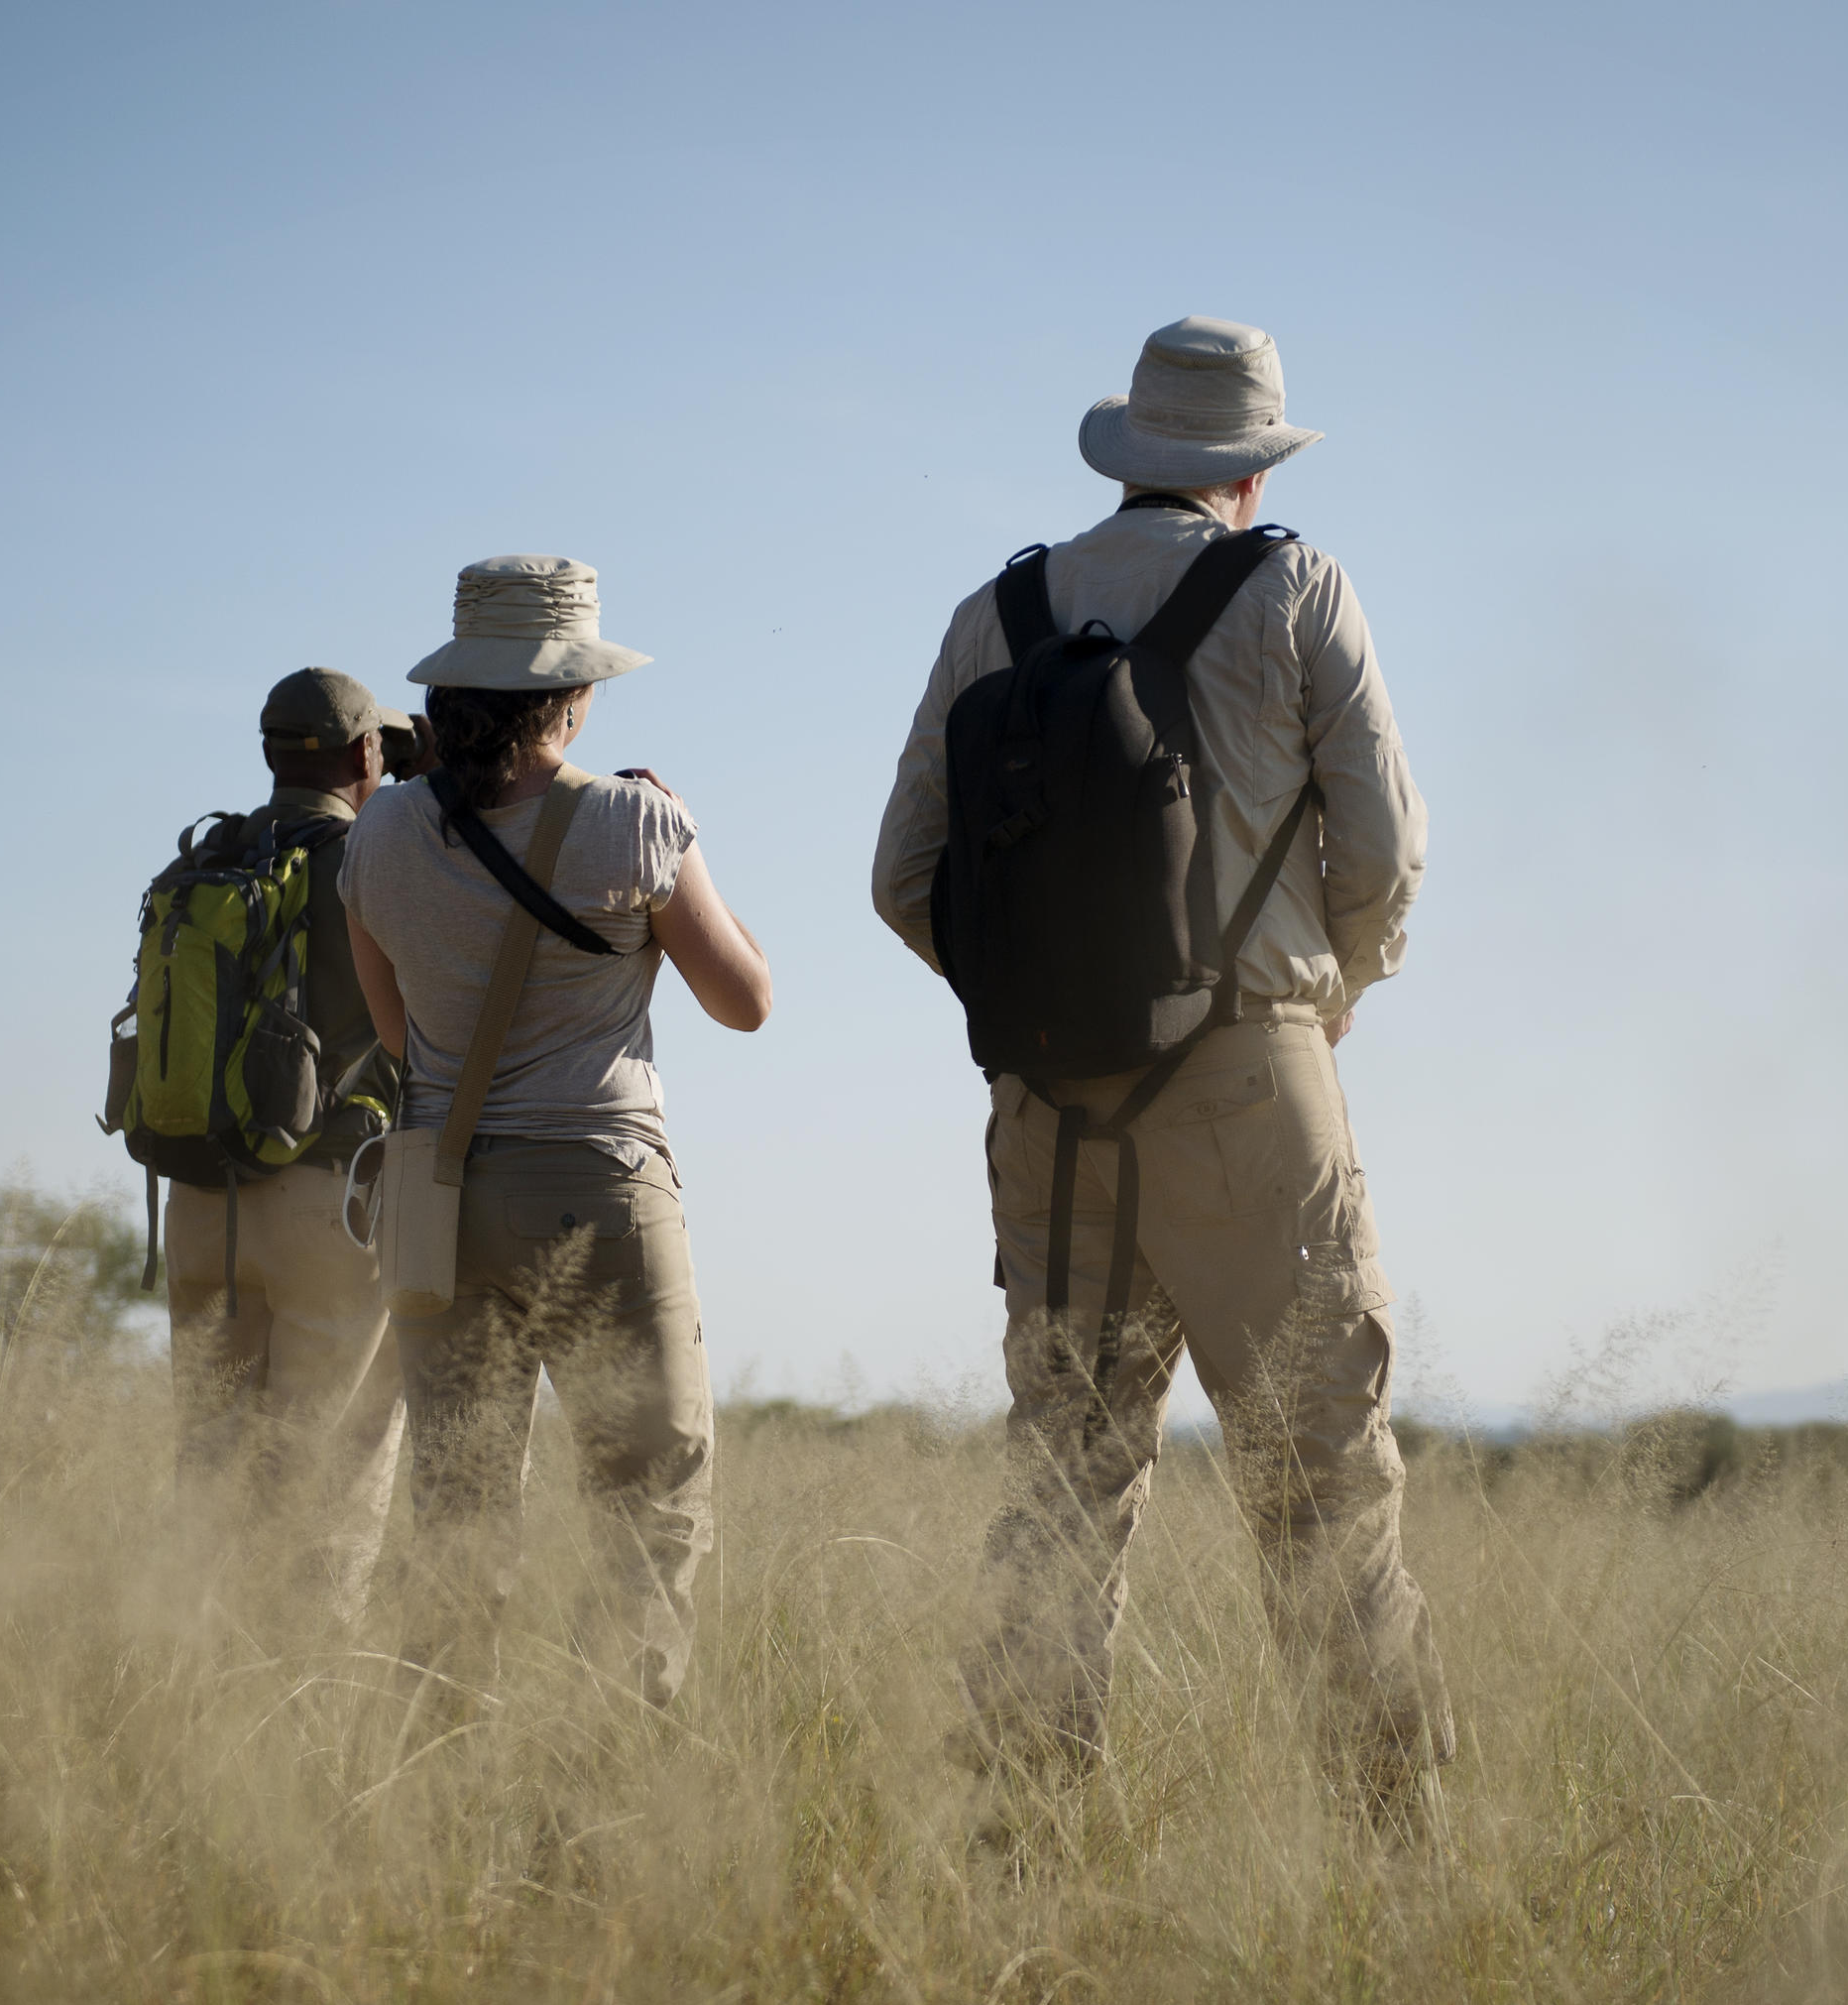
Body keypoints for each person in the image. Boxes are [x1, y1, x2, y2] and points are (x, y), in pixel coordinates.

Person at [869, 317, 1455, 1820]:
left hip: (1046, 1110)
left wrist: (1042, 1001)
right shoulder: (1296, 586)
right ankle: (1398, 1865)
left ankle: (1019, 1860)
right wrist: (1325, 998)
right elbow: (1385, 852)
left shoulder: (994, 611)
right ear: (1248, 472)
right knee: (1323, 1492)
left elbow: (902, 878)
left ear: (1132, 457)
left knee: (1062, 1492)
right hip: (1257, 1084)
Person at [342, 555, 770, 1720]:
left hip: (442, 1201)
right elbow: (746, 1002)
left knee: (459, 1509)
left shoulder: (376, 837)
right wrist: (684, 835)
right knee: (648, 1506)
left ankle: (440, 1771)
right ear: (573, 699)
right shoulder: (635, 823)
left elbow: (397, 1032)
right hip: (598, 1188)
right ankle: (617, 1782)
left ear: (447, 699)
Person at [164, 667, 418, 1619]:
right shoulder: (377, 861)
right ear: (365, 755)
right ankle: (305, 1721)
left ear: (272, 752)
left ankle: (189, 1683)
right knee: (330, 1486)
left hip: (199, 1201)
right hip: (331, 1201)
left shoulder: (209, 856)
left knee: (209, 1475)